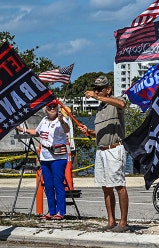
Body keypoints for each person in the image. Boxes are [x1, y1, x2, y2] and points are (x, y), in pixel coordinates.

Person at [77, 75, 129, 233]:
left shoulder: (115, 102)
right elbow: (100, 132)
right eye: (95, 88)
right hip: (101, 150)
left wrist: (99, 97)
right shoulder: (100, 109)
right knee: (106, 187)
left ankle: (124, 222)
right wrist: (90, 132)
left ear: (108, 89)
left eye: (100, 88)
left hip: (114, 149)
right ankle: (111, 220)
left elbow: (122, 104)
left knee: (119, 186)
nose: (97, 91)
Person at [17, 99, 70, 220]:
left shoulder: (61, 120)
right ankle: (51, 211)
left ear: (57, 108)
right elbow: (36, 131)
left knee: (58, 184)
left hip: (58, 156)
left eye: (54, 106)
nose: (52, 108)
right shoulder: (44, 120)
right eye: (49, 107)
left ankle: (60, 211)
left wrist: (62, 120)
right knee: (48, 185)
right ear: (45, 109)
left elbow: (66, 130)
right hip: (45, 156)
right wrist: (23, 130)